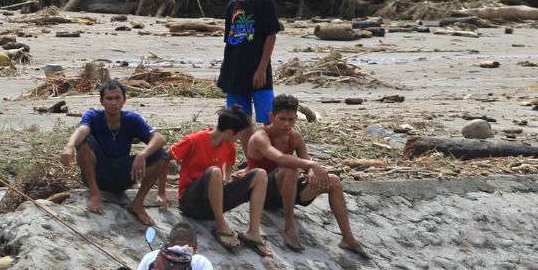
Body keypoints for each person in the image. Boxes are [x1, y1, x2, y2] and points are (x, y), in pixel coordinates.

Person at [245, 94, 366, 256]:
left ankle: (348, 238)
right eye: (282, 119)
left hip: (289, 192)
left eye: (291, 120)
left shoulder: (295, 137)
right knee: (290, 168)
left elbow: (306, 163)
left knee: (334, 181)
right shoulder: (261, 137)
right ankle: (289, 227)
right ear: (272, 117)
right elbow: (279, 158)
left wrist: (311, 172)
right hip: (264, 194)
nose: (287, 124)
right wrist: (312, 165)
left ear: (296, 118)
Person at [58, 80, 168, 225]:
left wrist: (142, 155)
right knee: (83, 142)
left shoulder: (132, 119)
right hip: (98, 174)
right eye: (109, 99)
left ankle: (137, 204)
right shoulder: (93, 116)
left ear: (124, 100)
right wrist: (69, 146)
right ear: (102, 101)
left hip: (122, 175)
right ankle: (95, 193)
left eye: (117, 98)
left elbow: (159, 138)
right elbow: (82, 130)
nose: (113, 102)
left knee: (161, 155)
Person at [170, 106, 272, 256]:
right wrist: (161, 193)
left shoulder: (229, 145)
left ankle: (253, 232)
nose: (238, 139)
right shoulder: (194, 140)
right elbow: (166, 158)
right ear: (231, 132)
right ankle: (221, 225)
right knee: (215, 171)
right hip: (191, 203)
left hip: (213, 202)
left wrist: (226, 179)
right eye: (239, 135)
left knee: (260, 174)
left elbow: (229, 164)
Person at [217, 0, 282, 124]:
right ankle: (250, 152)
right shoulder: (232, 6)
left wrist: (261, 69)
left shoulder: (264, 1)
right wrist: (226, 74)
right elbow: (229, 42)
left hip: (257, 70)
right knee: (239, 123)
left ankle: (269, 151)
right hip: (235, 72)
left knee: (268, 119)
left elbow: (270, 36)